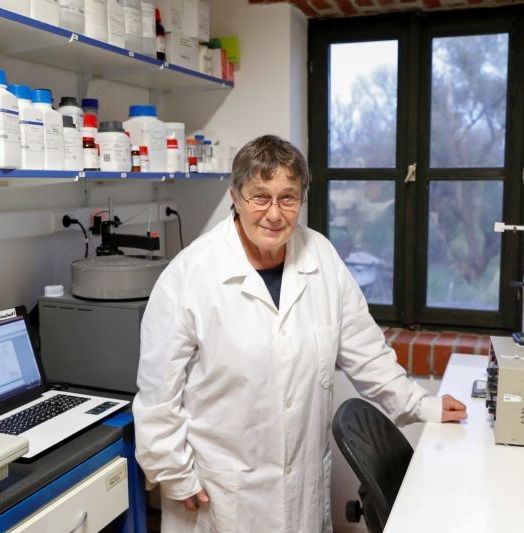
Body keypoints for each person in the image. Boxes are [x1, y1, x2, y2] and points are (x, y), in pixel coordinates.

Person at [133, 134, 467, 532]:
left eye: (288, 198)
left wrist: (422, 406)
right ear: (235, 197)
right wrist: (174, 473)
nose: (274, 213)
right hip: (223, 495)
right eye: (260, 196)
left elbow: (368, 354)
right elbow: (158, 397)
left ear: (301, 200)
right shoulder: (188, 277)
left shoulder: (321, 257)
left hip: (301, 491)